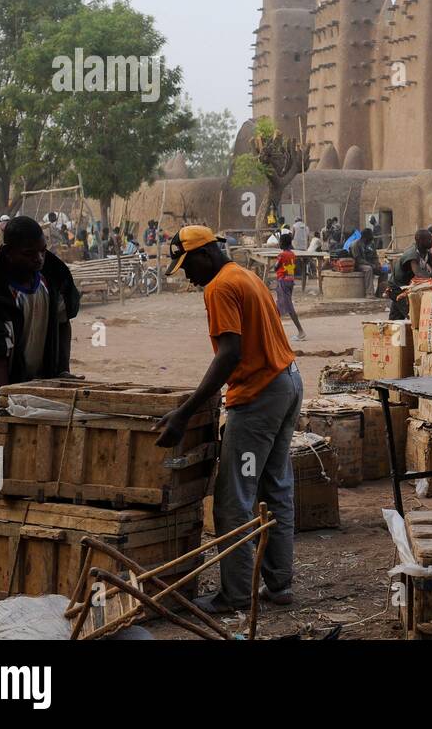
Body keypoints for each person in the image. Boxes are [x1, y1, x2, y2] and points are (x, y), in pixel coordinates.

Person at [156, 226, 303, 613]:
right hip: (287, 383)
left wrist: (184, 413)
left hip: (259, 401)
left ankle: (236, 593)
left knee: (234, 497)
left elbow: (229, 354)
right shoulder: (245, 275)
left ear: (205, 254)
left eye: (187, 266)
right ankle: (279, 584)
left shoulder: (219, 286)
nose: (186, 275)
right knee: (276, 486)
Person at [0, 216, 81, 442]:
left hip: (38, 374)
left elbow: (63, 322)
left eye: (42, 251)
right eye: (28, 254)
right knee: (2, 443)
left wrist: (61, 371)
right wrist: (2, 411)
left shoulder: (52, 280)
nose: (38, 259)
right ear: (8, 253)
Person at [387, 229, 432, 320]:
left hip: (405, 287)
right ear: (420, 241)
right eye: (429, 239)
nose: (431, 241)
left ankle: (390, 332)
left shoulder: (427, 254)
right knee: (413, 315)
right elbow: (419, 274)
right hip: (397, 288)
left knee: (395, 319)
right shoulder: (412, 254)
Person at [273, 232, 307, 342]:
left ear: (282, 243)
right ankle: (274, 332)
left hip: (283, 281)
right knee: (278, 306)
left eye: (280, 242)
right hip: (290, 280)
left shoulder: (281, 255)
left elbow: (275, 267)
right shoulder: (292, 254)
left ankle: (301, 331)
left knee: (288, 307)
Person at [349, 229, 381, 297]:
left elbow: (375, 256)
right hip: (358, 265)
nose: (371, 241)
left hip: (369, 264)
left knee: (384, 270)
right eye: (369, 239)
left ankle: (380, 293)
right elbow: (358, 260)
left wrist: (378, 264)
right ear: (364, 238)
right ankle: (369, 293)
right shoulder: (355, 244)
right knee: (368, 269)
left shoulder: (371, 244)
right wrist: (371, 265)